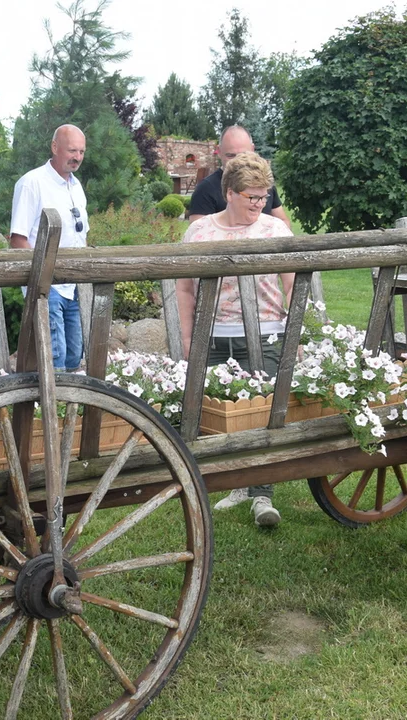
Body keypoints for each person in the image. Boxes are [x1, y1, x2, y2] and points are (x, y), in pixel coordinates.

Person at [177, 152, 294, 527]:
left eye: (264, 197)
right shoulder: (200, 232)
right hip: (214, 339)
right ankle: (237, 485)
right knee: (218, 417)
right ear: (229, 193)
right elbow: (184, 291)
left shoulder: (274, 231)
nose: (260, 205)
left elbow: (292, 283)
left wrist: (298, 331)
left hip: (266, 333)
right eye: (252, 198)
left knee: (263, 415)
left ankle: (263, 497)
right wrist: (187, 340)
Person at [10, 124, 89, 372]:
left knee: (75, 358)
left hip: (74, 285)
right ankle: (48, 409)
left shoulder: (76, 186)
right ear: (55, 147)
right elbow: (18, 240)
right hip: (47, 287)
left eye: (82, 152)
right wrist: (38, 283)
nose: (77, 157)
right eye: (72, 150)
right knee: (54, 361)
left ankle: (68, 409)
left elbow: (81, 235)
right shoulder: (31, 183)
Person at [187, 125, 291, 230]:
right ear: (219, 151)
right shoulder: (205, 189)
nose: (238, 162)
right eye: (231, 155)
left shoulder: (262, 182)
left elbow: (283, 221)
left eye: (243, 155)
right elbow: (199, 234)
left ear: (252, 149)